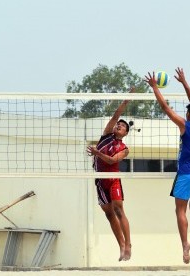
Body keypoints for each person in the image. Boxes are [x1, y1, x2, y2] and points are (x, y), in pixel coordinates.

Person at [145, 68, 190, 264]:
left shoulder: (184, 124)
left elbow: (165, 107)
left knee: (180, 211)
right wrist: (184, 83)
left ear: (189, 114)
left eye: (187, 111)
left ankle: (185, 244)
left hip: (186, 173)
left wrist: (155, 87)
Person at [86, 88, 133, 261]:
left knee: (119, 210)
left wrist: (96, 153)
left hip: (112, 179)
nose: (118, 125)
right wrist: (126, 101)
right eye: (117, 124)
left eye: (122, 126)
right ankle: (120, 245)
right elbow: (115, 115)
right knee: (108, 213)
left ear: (126, 133)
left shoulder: (124, 149)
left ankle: (128, 244)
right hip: (100, 180)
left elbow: (113, 161)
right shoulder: (106, 135)